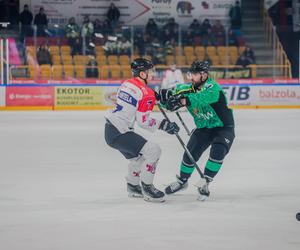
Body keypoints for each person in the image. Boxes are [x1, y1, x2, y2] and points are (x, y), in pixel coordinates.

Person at [104, 58, 180, 202]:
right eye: (150, 71)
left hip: (110, 130)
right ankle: (147, 188)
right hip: (121, 132)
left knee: (138, 158)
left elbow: (139, 97)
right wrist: (164, 125)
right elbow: (143, 121)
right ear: (142, 74)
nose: (153, 73)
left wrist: (156, 96)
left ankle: (133, 186)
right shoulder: (146, 92)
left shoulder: (127, 83)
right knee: (153, 151)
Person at [159, 60, 235, 200]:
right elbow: (172, 94)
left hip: (223, 127)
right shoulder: (186, 87)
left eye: (194, 74)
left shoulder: (213, 87)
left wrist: (184, 100)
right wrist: (163, 98)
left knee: (218, 151)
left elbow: (204, 98)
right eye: (190, 74)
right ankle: (182, 181)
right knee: (189, 155)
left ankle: (205, 181)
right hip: (203, 128)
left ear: (204, 75)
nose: (191, 77)